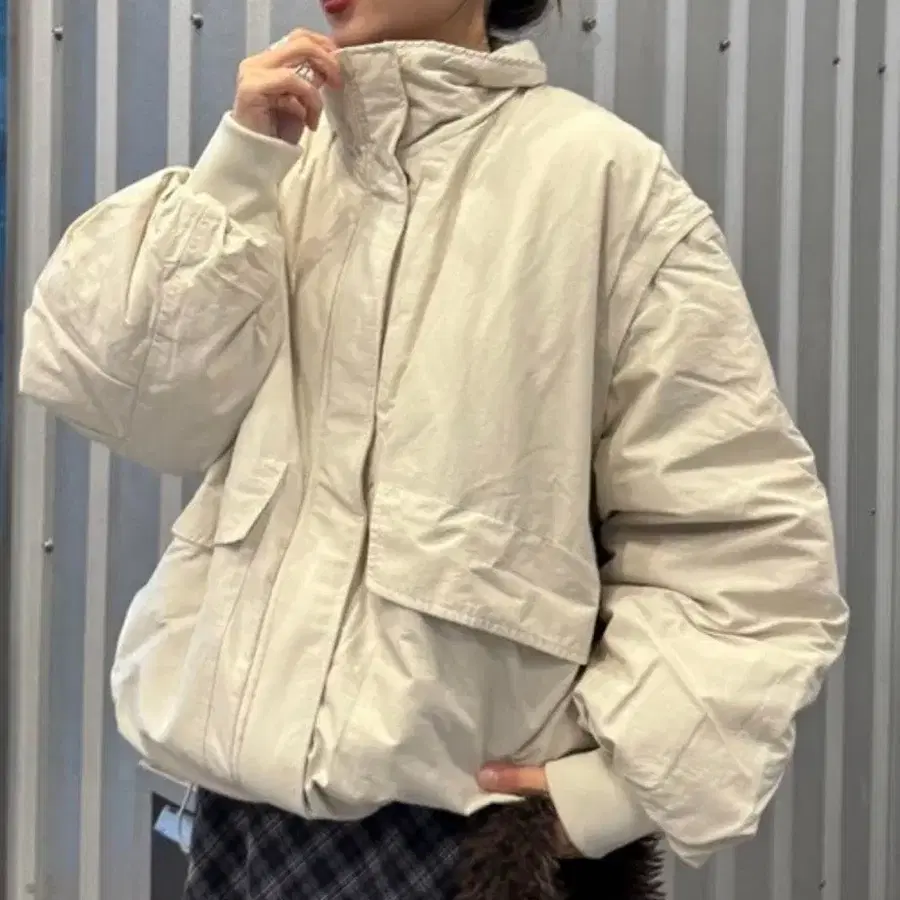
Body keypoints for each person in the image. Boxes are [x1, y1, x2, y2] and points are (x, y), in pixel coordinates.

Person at [19, 0, 848, 898]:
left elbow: (743, 542)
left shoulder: (602, 181)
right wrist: (239, 168)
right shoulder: (284, 170)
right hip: (241, 824)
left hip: (460, 846)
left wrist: (606, 798)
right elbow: (138, 405)